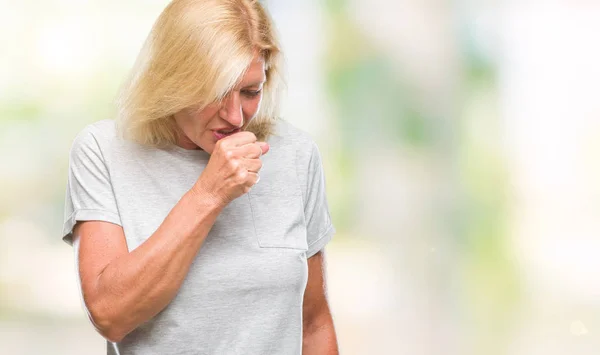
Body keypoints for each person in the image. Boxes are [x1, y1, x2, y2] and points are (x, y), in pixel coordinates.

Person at [61, 0, 338, 354]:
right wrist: (210, 192)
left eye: (251, 91)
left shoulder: (296, 154)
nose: (236, 116)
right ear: (173, 79)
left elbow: (313, 324)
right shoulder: (103, 151)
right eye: (217, 92)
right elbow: (110, 314)